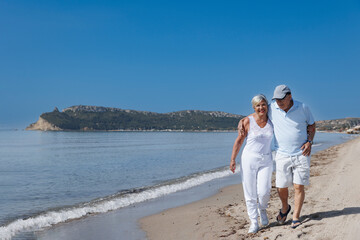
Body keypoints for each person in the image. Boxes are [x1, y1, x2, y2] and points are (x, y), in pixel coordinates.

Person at [239, 85, 316, 229]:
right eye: (276, 99)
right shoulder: (272, 108)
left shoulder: (303, 107)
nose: (278, 102)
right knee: (281, 187)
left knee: (298, 186)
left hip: (302, 153)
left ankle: (296, 217)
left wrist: (310, 141)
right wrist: (243, 120)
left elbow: (312, 126)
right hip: (281, 154)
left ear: (289, 96)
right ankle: (285, 207)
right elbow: (258, 110)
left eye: (281, 99)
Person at [230, 94, 274, 233]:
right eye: (257, 106)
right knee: (250, 192)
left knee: (264, 191)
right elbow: (239, 141)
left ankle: (262, 210)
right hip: (249, 159)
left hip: (266, 159)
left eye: (263, 104)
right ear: (254, 108)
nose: (261, 108)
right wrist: (232, 159)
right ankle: (254, 222)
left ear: (267, 105)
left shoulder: (272, 118)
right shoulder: (247, 121)